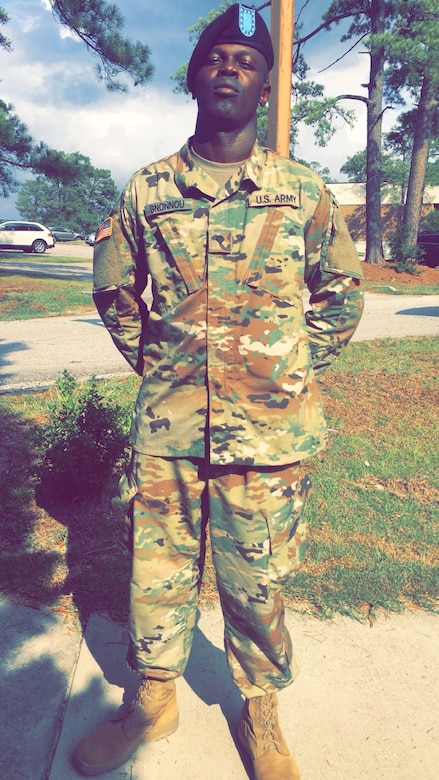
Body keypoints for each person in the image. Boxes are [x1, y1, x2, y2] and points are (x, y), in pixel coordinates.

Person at [73, 4, 364, 778]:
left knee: (258, 582)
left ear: (266, 86)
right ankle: (152, 699)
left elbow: (340, 291)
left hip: (270, 439)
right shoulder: (148, 189)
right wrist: (162, 369)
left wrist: (285, 373)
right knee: (155, 576)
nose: (229, 68)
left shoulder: (300, 192)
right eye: (215, 58)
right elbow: (113, 291)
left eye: (245, 60)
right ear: (195, 78)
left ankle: (261, 711)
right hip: (168, 433)